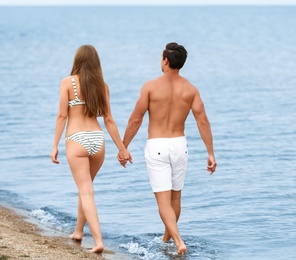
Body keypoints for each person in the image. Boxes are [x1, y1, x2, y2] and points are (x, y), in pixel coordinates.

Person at [119, 42, 217, 254]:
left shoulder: (151, 87)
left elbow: (136, 119)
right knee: (175, 198)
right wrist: (210, 152)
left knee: (163, 201)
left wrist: (123, 147)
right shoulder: (190, 90)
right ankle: (166, 237)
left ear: (165, 60)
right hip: (179, 146)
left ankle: (178, 241)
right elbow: (203, 121)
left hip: (158, 146)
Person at [50, 45, 132, 253]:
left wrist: (55, 145)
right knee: (85, 188)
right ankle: (78, 231)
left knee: (86, 191)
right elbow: (109, 120)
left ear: (77, 61)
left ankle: (98, 241)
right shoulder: (102, 86)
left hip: (76, 139)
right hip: (97, 140)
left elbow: (62, 116)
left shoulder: (67, 83)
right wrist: (122, 148)